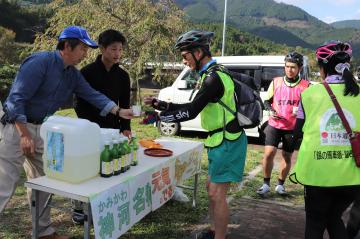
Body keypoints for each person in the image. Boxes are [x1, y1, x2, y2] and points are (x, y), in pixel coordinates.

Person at [0, 26, 133, 239]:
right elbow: (16, 100)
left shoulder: (72, 74)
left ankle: (43, 231)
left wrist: (119, 110)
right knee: (4, 183)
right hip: (16, 127)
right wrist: (24, 134)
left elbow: (91, 94)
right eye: (82, 48)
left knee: (49, 177)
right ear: (67, 46)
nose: (85, 54)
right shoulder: (40, 63)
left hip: (41, 129)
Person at [144, 30, 247, 239]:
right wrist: (161, 105)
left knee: (217, 194)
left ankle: (220, 236)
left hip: (228, 141)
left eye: (185, 56)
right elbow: (192, 105)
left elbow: (191, 111)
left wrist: (161, 118)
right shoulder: (210, 74)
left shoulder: (213, 78)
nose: (183, 61)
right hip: (219, 140)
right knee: (212, 190)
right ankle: (214, 231)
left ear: (198, 52)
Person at [291, 40, 360, 239]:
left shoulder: (310, 94)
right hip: (352, 174)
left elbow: (297, 132)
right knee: (333, 218)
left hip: (318, 175)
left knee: (315, 223)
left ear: (322, 69)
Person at [72, 29, 131, 225]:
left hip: (112, 129)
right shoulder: (87, 72)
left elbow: (125, 104)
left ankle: (103, 205)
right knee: (86, 167)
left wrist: (126, 127)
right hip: (89, 127)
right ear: (102, 48)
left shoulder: (123, 76)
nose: (117, 54)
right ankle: (78, 207)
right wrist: (90, 126)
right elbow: (78, 103)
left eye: (120, 49)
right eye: (113, 49)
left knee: (110, 166)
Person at [256, 52, 309, 196]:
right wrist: (270, 110)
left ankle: (280, 185)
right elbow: (266, 100)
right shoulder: (276, 82)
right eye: (287, 66)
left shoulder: (306, 86)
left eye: (293, 67)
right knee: (269, 153)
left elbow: (309, 107)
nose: (289, 70)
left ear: (299, 68)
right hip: (275, 124)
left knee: (286, 156)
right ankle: (265, 184)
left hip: (292, 128)